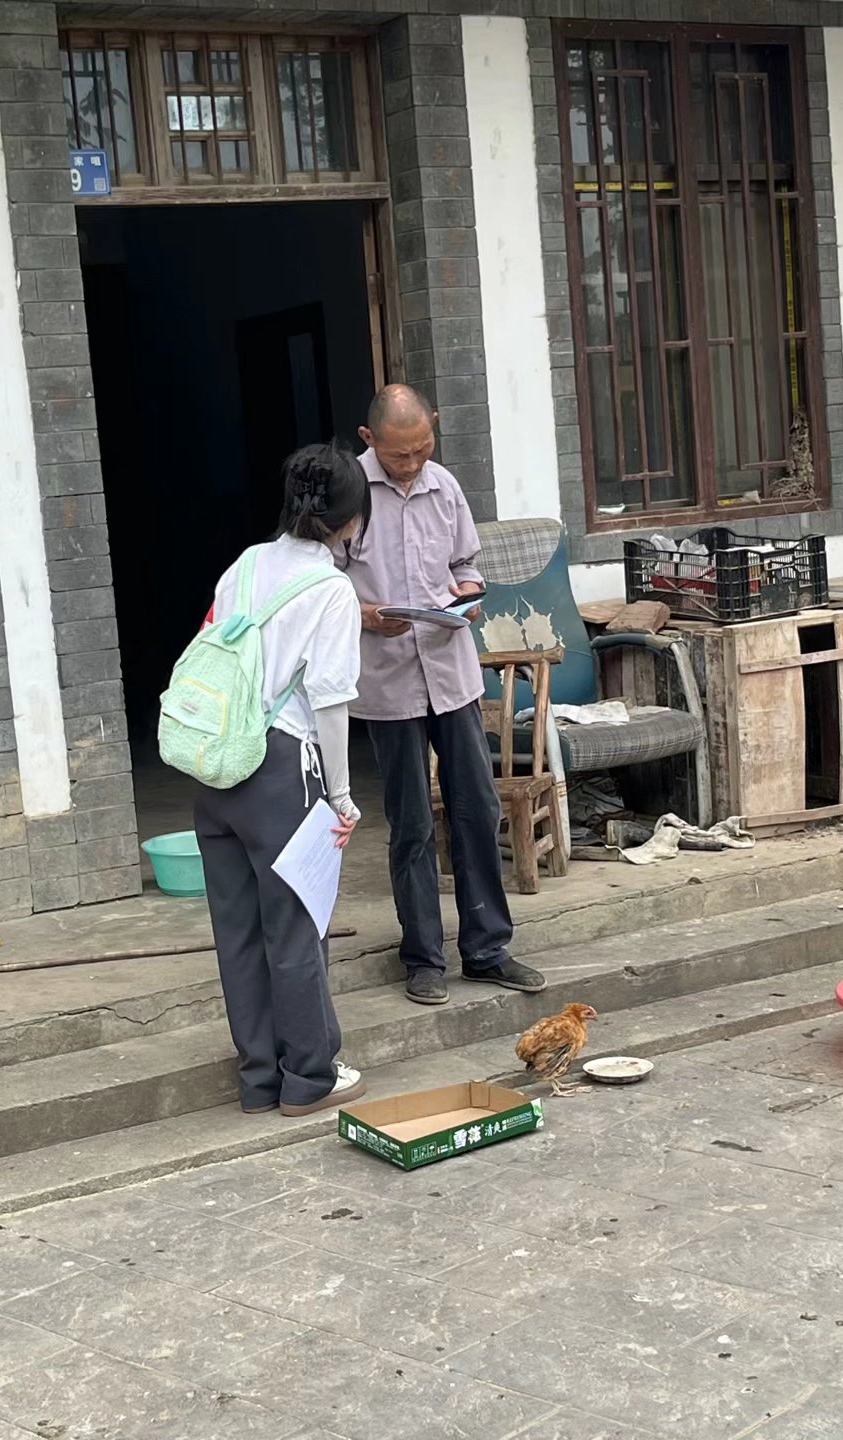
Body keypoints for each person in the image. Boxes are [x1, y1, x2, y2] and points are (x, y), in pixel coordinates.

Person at [339, 384, 547, 1006]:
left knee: (476, 809)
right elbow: (321, 585)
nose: (411, 465)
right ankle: (423, 958)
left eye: (422, 449)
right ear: (368, 439)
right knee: (410, 822)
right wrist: (366, 614)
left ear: (433, 427)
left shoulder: (445, 485)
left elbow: (465, 565)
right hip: (388, 680)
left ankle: (487, 950)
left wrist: (469, 594)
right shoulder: (348, 493)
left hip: (451, 672)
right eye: (398, 455)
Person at [194, 444, 369, 1116]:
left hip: (215, 763)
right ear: (350, 521)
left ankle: (260, 1078)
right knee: (296, 928)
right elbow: (330, 700)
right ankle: (309, 1079)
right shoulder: (331, 590)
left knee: (238, 933)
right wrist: (342, 795)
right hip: (280, 768)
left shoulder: (243, 565)